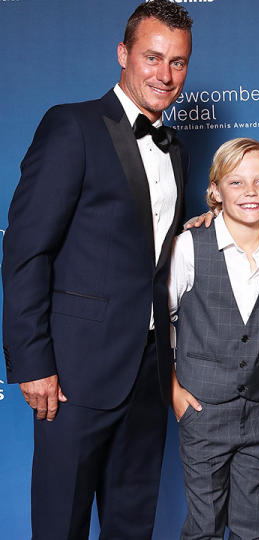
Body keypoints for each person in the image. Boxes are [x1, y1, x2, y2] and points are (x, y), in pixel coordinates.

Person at [1, 1, 192, 538]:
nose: (165, 74)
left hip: (150, 371)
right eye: (153, 58)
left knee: (131, 525)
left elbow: (149, 249)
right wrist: (33, 360)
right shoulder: (72, 125)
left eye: (178, 62)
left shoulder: (174, 150)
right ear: (123, 54)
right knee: (60, 523)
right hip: (75, 374)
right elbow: (26, 250)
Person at [168, 138, 259, 539]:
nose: (250, 192)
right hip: (202, 407)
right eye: (236, 182)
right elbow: (164, 320)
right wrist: (174, 389)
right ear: (214, 191)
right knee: (204, 524)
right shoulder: (190, 246)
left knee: (252, 523)